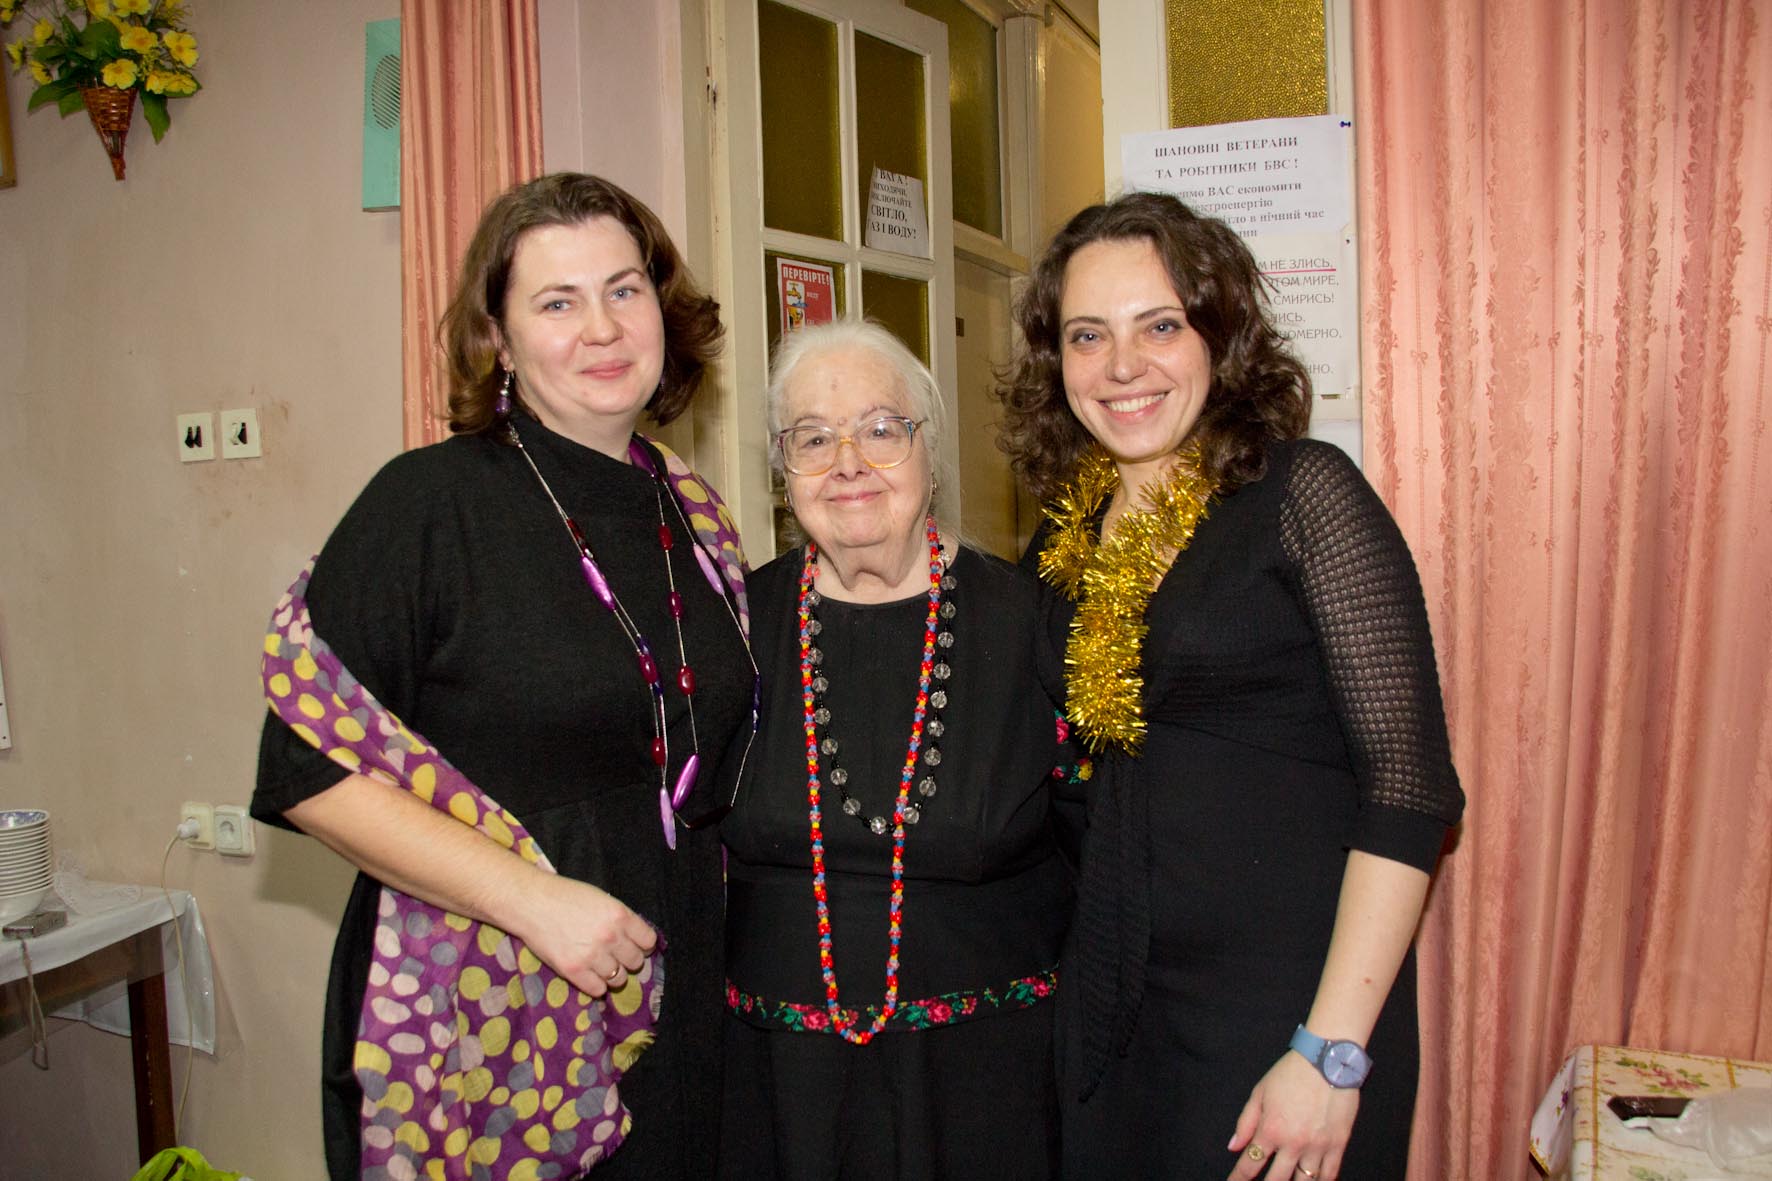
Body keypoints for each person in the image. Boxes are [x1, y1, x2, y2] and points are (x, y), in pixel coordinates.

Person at [252, 173, 757, 1180]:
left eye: (624, 289)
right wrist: (535, 902)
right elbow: (303, 772)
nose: (602, 327)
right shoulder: (428, 505)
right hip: (492, 1009)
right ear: (500, 338)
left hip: (682, 987)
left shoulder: (692, 509)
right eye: (558, 302)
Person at [996, 192, 1465, 1181]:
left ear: (1220, 335)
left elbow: (1410, 785)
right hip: (1116, 1009)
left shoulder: (1303, 495)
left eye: (1160, 326)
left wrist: (1328, 1053)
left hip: (1286, 1017)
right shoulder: (1058, 544)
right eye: (1088, 335)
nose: (1122, 365)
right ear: (1056, 360)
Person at [719, 320, 1081, 1179]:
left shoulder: (1031, 623)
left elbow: (1106, 849)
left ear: (930, 451)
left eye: (881, 428)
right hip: (781, 1089)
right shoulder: (732, 625)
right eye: (813, 437)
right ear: (783, 468)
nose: (848, 462)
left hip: (986, 1089)